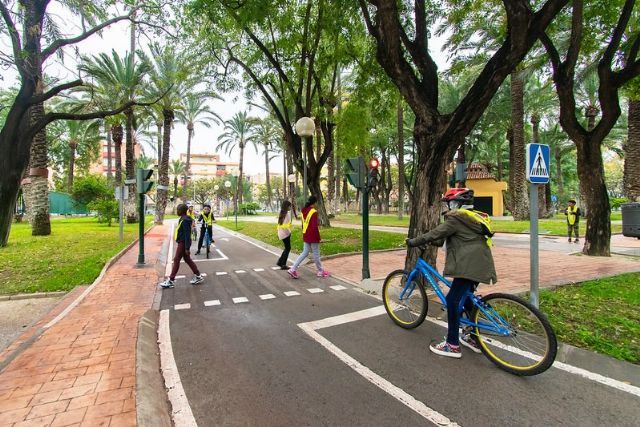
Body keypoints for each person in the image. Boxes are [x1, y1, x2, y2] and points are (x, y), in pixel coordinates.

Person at [406, 188, 497, 359]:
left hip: (467, 266)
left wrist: (413, 241)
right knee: (468, 298)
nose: (447, 207)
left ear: (456, 203)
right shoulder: (472, 218)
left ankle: (452, 344)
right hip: (480, 264)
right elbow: (441, 239)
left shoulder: (456, 219)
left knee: (452, 301)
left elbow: (435, 234)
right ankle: (473, 337)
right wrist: (432, 242)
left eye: (448, 203)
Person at [160, 203, 204, 288]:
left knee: (176, 259)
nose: (177, 211)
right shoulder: (183, 218)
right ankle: (198, 276)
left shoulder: (185, 220)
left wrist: (187, 248)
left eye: (178, 210)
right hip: (182, 242)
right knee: (187, 259)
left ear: (182, 211)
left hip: (183, 243)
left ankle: (171, 280)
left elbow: (187, 235)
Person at [288, 196, 330, 279]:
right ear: (314, 203)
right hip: (313, 235)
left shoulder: (304, 211)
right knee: (316, 254)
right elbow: (314, 227)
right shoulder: (313, 212)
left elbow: (304, 224)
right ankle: (320, 271)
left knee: (305, 252)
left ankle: (293, 269)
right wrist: (318, 238)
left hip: (306, 234)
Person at [276, 200, 294, 269]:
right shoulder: (287, 214)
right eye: (290, 206)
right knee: (288, 248)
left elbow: (281, 225)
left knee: (286, 248)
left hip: (280, 233)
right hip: (285, 233)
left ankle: (280, 262)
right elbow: (286, 226)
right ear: (287, 206)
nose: (290, 207)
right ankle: (283, 264)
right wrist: (289, 233)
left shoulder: (281, 213)